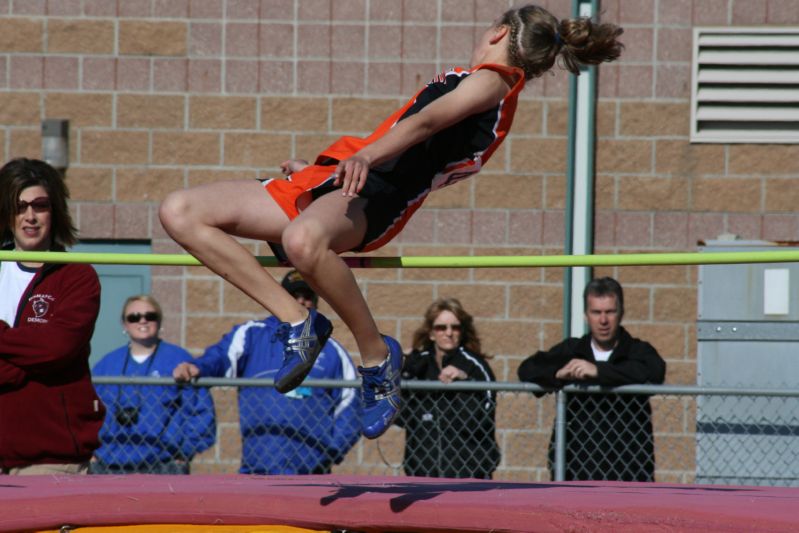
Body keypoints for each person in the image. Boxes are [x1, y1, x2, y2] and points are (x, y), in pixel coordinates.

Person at [158, 5, 624, 439]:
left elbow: (423, 125)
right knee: (179, 212)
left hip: (376, 198)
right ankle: (297, 321)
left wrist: (362, 157)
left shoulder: (496, 82)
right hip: (337, 181)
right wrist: (326, 170)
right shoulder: (477, 82)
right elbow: (400, 129)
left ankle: (376, 358)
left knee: (302, 241)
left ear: (499, 32)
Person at [173, 270, 361, 475]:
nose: (301, 302)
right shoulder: (252, 334)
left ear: (316, 302)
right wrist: (199, 367)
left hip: (312, 473)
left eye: (308, 297)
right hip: (255, 469)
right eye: (293, 296)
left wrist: (331, 453)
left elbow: (352, 405)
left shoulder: (332, 349)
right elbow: (221, 357)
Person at [0, 157, 105, 475]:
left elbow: (56, 347)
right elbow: (41, 350)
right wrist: (21, 363)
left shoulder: (76, 276)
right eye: (19, 207)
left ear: (54, 211)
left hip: (50, 461)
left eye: (40, 206)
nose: (29, 217)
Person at [517, 277, 666, 482]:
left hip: (628, 470)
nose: (603, 320)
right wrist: (557, 374)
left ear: (621, 313)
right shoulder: (573, 350)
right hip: (575, 468)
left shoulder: (637, 350)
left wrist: (599, 372)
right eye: (596, 312)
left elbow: (655, 371)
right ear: (586, 315)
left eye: (610, 312)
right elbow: (528, 369)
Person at [90, 295, 216, 474]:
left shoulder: (179, 360)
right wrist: (91, 451)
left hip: (163, 464)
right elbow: (86, 411)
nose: (143, 321)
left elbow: (200, 410)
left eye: (150, 316)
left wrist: (184, 453)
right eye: (134, 317)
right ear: (125, 325)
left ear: (159, 321)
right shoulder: (107, 364)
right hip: (109, 464)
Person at [396, 298, 500, 479]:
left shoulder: (475, 365)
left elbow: (487, 410)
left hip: (470, 471)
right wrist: (399, 370)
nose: (449, 333)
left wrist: (465, 381)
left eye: (455, 327)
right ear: (431, 333)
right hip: (422, 470)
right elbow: (400, 415)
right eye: (441, 327)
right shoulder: (419, 363)